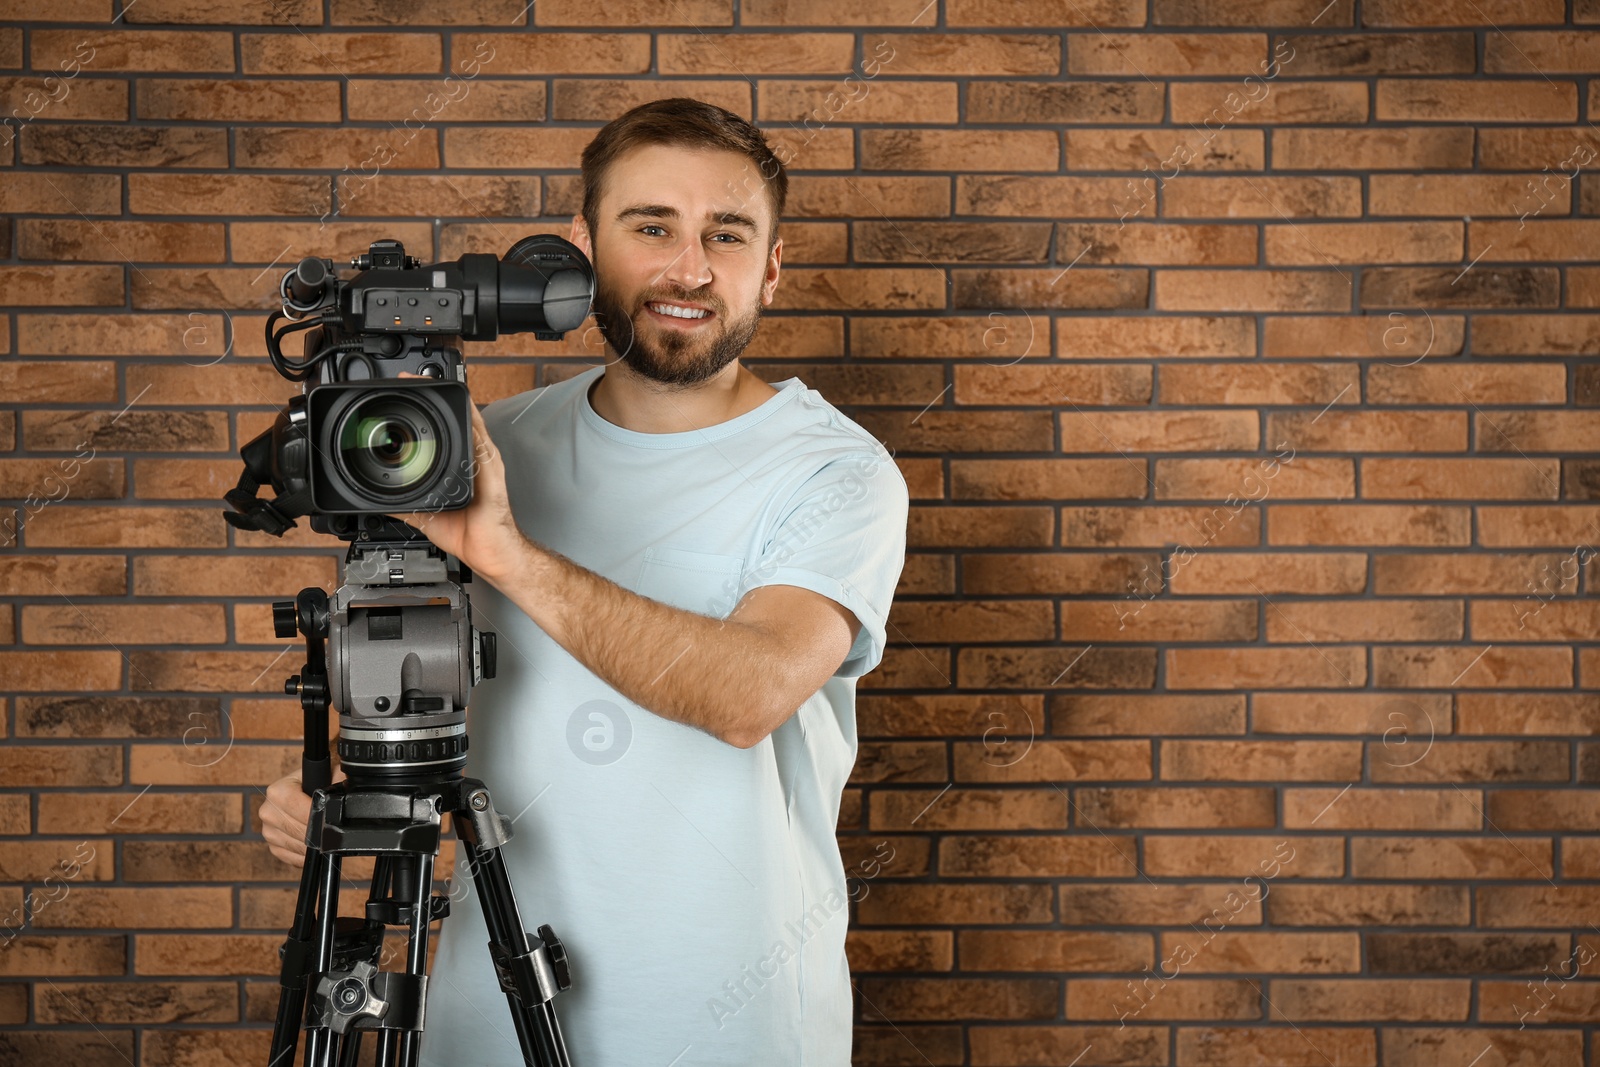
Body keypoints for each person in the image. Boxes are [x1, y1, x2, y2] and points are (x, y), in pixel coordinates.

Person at [258, 97, 910, 1066]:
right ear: (582, 247)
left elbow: (748, 694)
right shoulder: (475, 445)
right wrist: (350, 787)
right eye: (651, 227)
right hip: (480, 1007)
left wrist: (509, 551)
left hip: (727, 1014)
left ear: (769, 267)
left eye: (724, 234)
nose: (687, 268)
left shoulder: (833, 470)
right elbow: (421, 670)